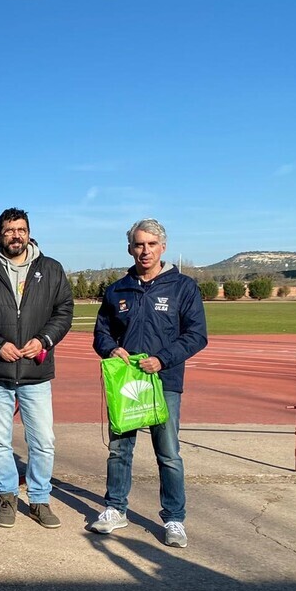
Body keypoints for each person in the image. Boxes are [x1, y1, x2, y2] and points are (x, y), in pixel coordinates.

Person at [91, 218, 208, 548]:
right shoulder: (118, 289)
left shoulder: (182, 286)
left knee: (168, 453)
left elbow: (197, 335)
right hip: (127, 381)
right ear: (130, 248)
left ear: (163, 247)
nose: (145, 251)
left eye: (151, 244)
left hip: (164, 380)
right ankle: (115, 509)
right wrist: (111, 348)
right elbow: (101, 332)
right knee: (119, 449)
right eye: (139, 245)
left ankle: (174, 518)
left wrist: (163, 358)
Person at [0, 208, 73, 529]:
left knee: (43, 441)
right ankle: (7, 496)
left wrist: (45, 339)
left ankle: (39, 499)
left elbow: (63, 311)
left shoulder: (50, 270)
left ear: (29, 232)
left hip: (36, 372)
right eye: (9, 230)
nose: (15, 235)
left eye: (20, 229)